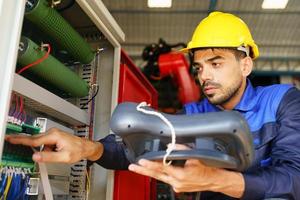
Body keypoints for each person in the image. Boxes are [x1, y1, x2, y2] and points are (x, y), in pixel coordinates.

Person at [6, 11, 300, 199]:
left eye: (216, 63)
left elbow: (294, 179)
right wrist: (86, 148)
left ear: (246, 64)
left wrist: (217, 181)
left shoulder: (281, 101)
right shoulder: (194, 115)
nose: (204, 75)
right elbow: (135, 147)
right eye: (198, 67)